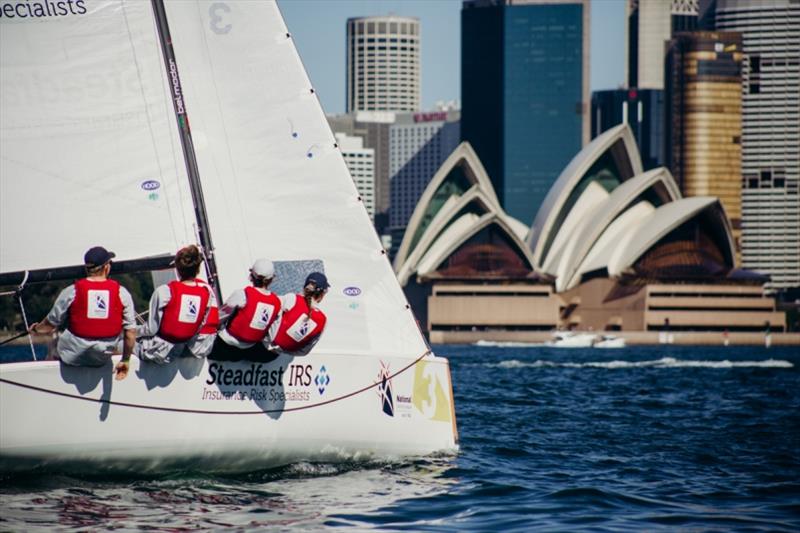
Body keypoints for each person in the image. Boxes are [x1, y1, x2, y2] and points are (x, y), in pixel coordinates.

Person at [28, 246, 136, 379]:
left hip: (72, 355)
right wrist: (125, 360)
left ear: (87, 269)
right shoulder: (122, 293)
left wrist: (35, 329)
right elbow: (130, 333)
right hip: (101, 357)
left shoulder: (71, 291)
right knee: (113, 344)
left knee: (54, 342)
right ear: (107, 267)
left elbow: (49, 325)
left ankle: (49, 379)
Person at [135, 245, 217, 364]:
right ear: (198, 270)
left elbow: (151, 329)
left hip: (159, 351)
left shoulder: (164, 291)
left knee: (122, 343)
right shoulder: (207, 293)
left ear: (177, 269)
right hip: (184, 348)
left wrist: (131, 331)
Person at [214, 259, 281, 357]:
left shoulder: (242, 294)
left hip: (225, 345)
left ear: (251, 277)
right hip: (250, 349)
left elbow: (220, 317)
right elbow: (272, 333)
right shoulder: (277, 302)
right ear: (271, 279)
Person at [267, 271, 329, 356]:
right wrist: (284, 351)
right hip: (273, 356)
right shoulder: (323, 321)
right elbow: (304, 352)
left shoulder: (292, 298)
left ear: (305, 288)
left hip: (261, 344)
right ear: (322, 294)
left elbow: (267, 305)